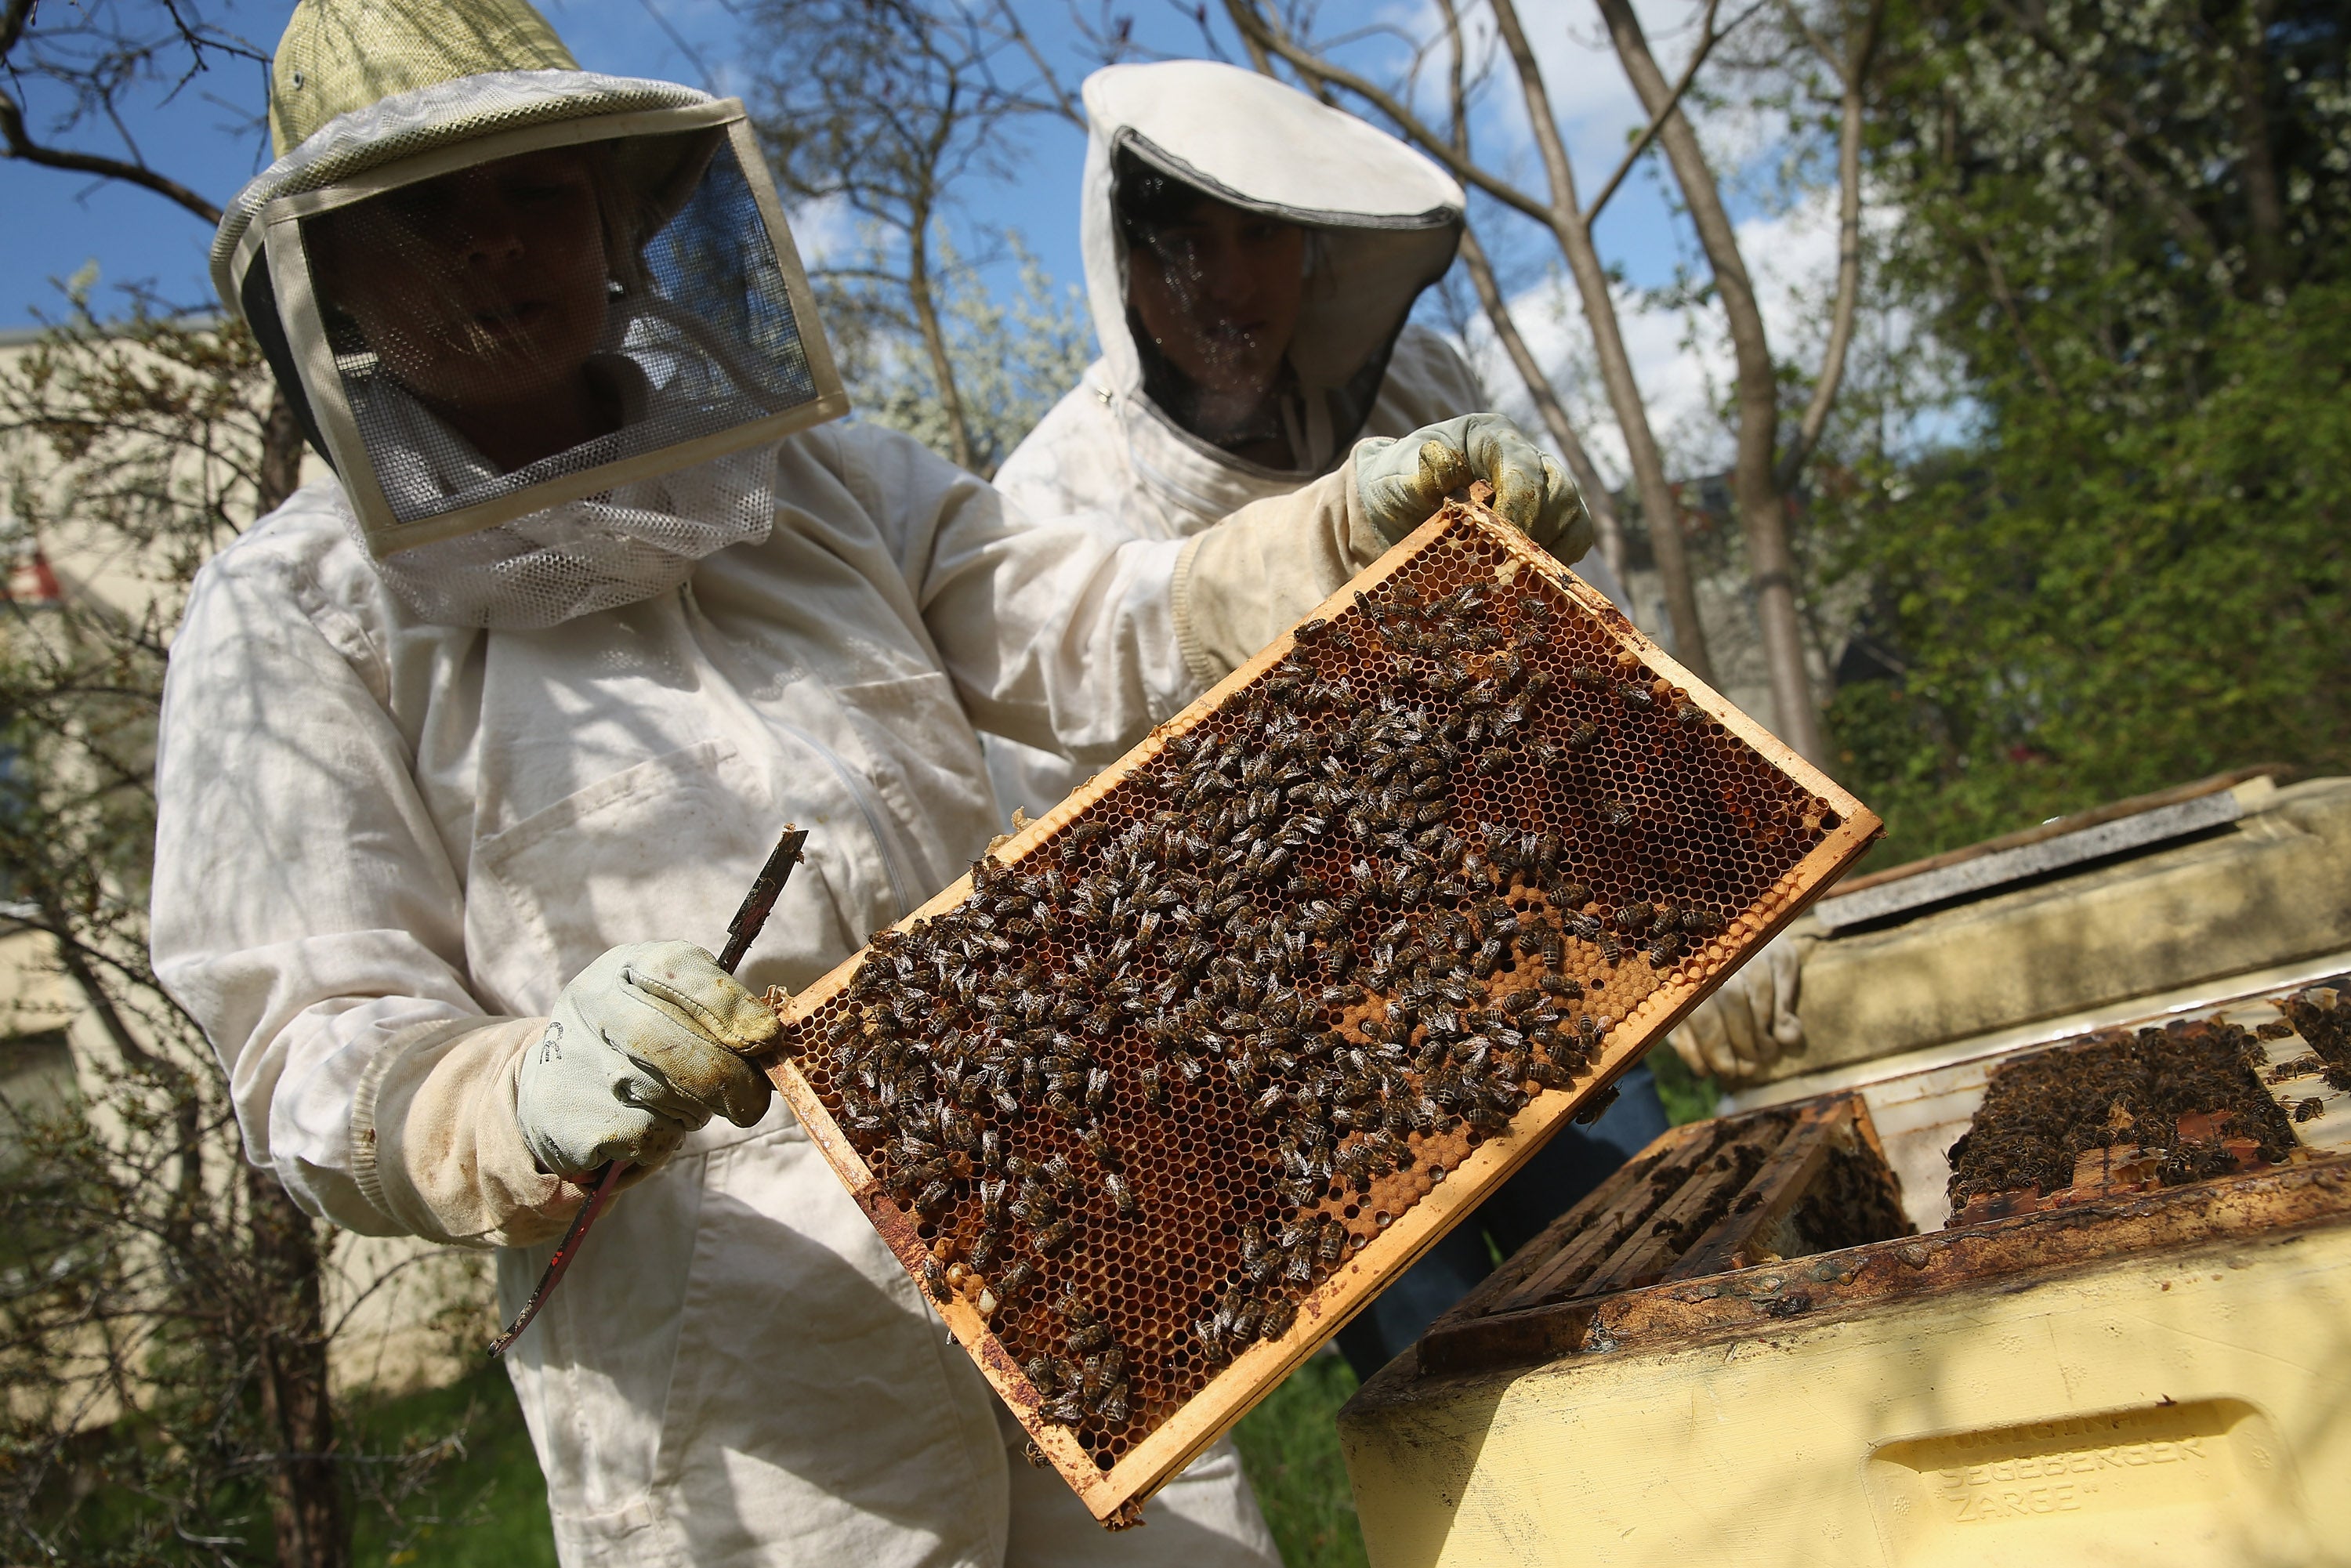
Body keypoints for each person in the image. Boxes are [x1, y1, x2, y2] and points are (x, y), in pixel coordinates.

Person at [150, 4, 1590, 1564]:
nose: (495, 246)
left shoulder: (822, 477)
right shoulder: (295, 611)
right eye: (427, 211)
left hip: (1058, 1215)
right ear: (336, 268)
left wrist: (1334, 534)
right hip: (744, 1355)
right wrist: (503, 1097)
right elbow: (306, 1035)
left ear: (623, 217)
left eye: (538, 193)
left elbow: (1095, 623)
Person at [977, 60, 1668, 1382]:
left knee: (1656, 1286)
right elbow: (1076, 831)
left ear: (1318, 251)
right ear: (1124, 262)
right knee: (1454, 1394)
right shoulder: (1052, 491)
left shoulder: (1423, 383)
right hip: (1289, 1024)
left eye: (1263, 236)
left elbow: (1577, 633)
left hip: (1513, 920)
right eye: (1186, 241)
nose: (1231, 283)